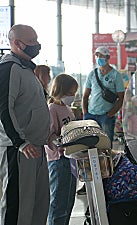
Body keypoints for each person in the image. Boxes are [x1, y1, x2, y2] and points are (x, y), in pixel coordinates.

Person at [0, 24, 50, 225]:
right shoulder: (8, 68)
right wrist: (19, 141)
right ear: (16, 43)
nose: (36, 45)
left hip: (36, 148)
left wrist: (46, 136)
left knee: (38, 206)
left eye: (37, 40)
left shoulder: (27, 70)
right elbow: (3, 109)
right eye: (31, 41)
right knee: (18, 206)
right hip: (19, 150)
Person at [79, 46, 124, 195]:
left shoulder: (116, 75)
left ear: (108, 57)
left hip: (106, 115)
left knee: (105, 149)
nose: (99, 58)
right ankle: (87, 182)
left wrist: (111, 113)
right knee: (87, 149)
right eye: (97, 55)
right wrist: (85, 113)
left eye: (101, 55)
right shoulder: (93, 74)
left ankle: (107, 180)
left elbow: (120, 97)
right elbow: (85, 96)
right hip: (91, 115)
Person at [45, 74, 78, 225]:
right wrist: (60, 143)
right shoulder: (52, 109)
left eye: (74, 94)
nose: (72, 97)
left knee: (68, 200)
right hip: (59, 160)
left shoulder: (67, 108)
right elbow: (48, 135)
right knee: (58, 202)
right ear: (60, 91)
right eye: (70, 93)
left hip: (71, 158)